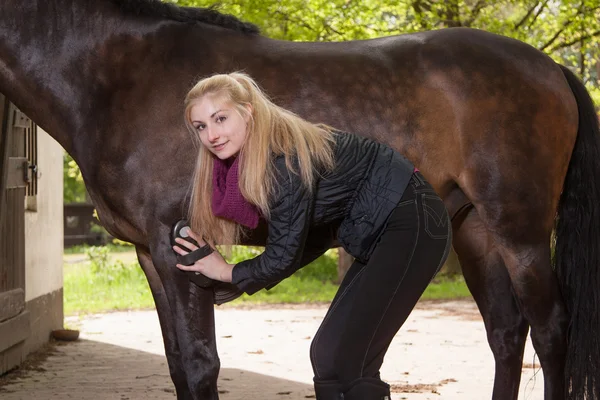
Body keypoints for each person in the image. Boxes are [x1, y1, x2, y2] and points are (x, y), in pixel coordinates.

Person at [172, 72, 452, 400]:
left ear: (247, 112)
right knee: (327, 354)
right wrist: (239, 281)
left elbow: (283, 253)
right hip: (386, 231)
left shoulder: (281, 159)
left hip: (412, 223)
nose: (212, 134)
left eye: (220, 118)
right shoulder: (255, 161)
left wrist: (227, 271)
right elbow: (309, 239)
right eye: (201, 126)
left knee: (350, 360)